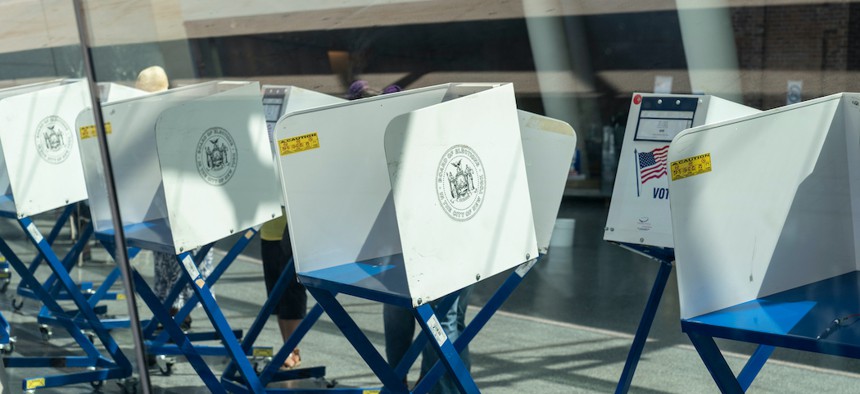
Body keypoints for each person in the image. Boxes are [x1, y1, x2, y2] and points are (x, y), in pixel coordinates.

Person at [371, 82, 473, 393]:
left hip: (447, 244)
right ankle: (410, 381)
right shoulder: (405, 137)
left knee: (444, 320)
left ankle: (439, 386)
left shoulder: (437, 141)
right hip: (408, 242)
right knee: (413, 314)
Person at [135, 66, 213, 330]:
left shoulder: (170, 116)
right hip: (171, 203)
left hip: (179, 202)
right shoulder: (172, 114)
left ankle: (177, 312)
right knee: (171, 258)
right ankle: (176, 312)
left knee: (179, 259)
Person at [260, 211, 306, 369]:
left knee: (292, 291)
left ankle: (293, 349)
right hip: (268, 231)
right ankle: (287, 347)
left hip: (291, 232)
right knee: (276, 294)